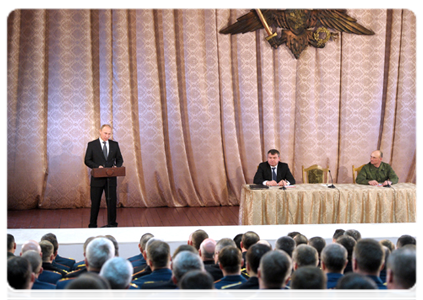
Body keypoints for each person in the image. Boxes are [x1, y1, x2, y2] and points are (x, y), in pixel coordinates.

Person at [84, 124, 124, 228]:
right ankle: (92, 225)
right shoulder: (92, 145)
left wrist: (117, 166)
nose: (107, 136)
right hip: (97, 179)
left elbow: (120, 159)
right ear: (100, 131)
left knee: (111, 203)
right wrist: (97, 166)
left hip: (111, 179)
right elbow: (87, 160)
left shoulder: (114, 144)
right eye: (105, 133)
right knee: (95, 203)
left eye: (109, 134)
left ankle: (112, 224)